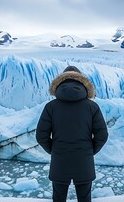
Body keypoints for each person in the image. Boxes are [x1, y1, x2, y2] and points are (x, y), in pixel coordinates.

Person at [36, 65, 109, 202]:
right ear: (82, 82)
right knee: (84, 199)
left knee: (58, 198)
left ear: (60, 82)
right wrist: (90, 150)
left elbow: (41, 136)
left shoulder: (51, 107)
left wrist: (53, 150)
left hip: (59, 160)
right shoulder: (92, 106)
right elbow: (102, 135)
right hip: (84, 160)